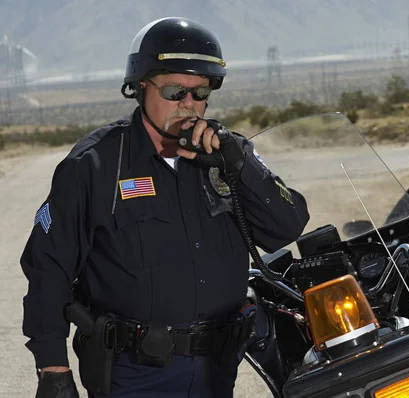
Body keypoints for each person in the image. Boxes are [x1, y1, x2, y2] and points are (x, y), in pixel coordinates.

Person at [21, 17, 310, 398]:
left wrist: (241, 166)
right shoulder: (95, 164)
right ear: (141, 87)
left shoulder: (226, 155)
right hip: (134, 373)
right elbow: (48, 268)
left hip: (217, 369)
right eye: (175, 91)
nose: (189, 104)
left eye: (201, 91)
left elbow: (287, 226)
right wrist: (53, 371)